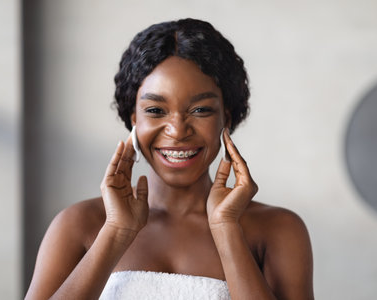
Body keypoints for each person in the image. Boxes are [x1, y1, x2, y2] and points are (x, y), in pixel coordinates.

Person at [25, 18, 314, 300]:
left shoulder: (278, 230)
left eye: (200, 110)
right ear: (133, 117)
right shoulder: (78, 225)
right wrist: (115, 233)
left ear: (227, 116)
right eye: (155, 110)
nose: (177, 131)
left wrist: (226, 229)